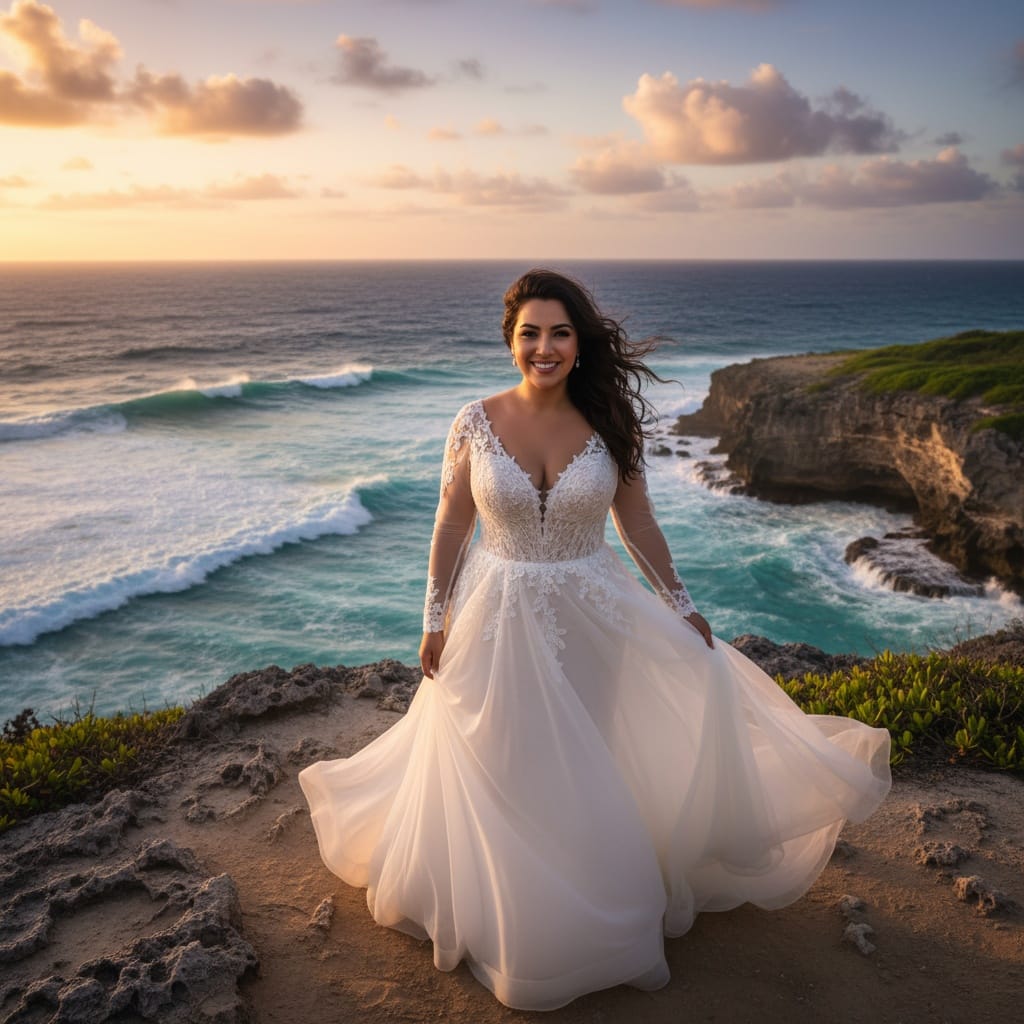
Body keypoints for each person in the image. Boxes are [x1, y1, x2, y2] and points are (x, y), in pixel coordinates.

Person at [299, 268, 891, 1012]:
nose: (543, 348)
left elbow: (635, 524)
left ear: (579, 341)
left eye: (559, 332)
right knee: (502, 760)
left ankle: (587, 899)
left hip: (593, 612)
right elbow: (452, 521)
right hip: (495, 610)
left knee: (585, 756)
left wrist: (680, 605)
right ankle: (514, 916)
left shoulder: (612, 424)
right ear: (509, 341)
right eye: (529, 334)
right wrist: (433, 618)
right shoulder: (474, 421)